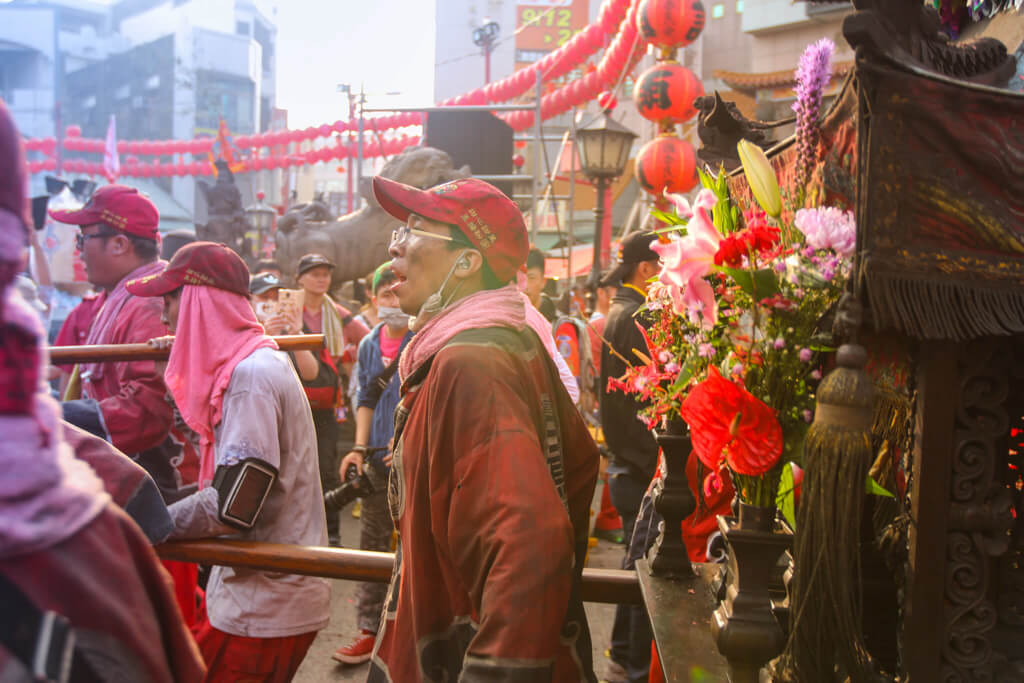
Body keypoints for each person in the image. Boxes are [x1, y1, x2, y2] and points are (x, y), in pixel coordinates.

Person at [0, 96, 205, 683]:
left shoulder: (145, 302)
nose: (76, 251)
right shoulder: (125, 296)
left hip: (139, 474)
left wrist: (62, 418)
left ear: (118, 243)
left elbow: (144, 414)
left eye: (84, 238)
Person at [366, 175, 599, 682]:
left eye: (415, 228)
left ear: (467, 263)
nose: (394, 246)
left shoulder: (471, 363)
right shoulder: (506, 341)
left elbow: (531, 542)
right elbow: (580, 465)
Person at [126, 241, 331, 682]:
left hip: (265, 603)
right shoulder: (249, 362)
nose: (163, 316)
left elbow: (233, 505)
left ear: (199, 302)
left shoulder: (250, 378)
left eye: (170, 300)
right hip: (254, 592)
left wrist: (146, 524)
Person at [332, 261, 413, 665]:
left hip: (417, 461)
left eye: (399, 292)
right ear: (374, 299)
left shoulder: (424, 337)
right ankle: (368, 630)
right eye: (386, 295)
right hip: (379, 462)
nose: (393, 300)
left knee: (418, 546)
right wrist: (359, 449)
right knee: (372, 545)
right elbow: (365, 397)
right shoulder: (368, 344)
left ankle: (413, 633)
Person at [599, 231, 663, 683]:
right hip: (638, 466)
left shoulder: (619, 310)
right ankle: (636, 667)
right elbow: (639, 404)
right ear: (646, 268)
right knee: (647, 571)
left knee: (634, 564)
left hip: (626, 465)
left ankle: (623, 654)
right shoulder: (637, 314)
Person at [294, 252, 370, 545]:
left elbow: (368, 340)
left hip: (326, 403)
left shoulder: (337, 313)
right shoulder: (288, 310)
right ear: (299, 278)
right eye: (314, 273)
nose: (321, 278)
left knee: (326, 469)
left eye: (325, 273)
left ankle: (331, 536)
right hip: (291, 397)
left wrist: (347, 358)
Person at [523, 246, 557, 322]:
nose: (525, 286)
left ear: (543, 282)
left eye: (531, 278)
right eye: (520, 279)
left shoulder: (557, 324)